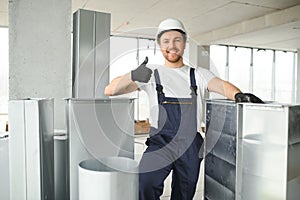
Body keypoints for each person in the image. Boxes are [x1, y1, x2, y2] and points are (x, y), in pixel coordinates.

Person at [105, 18, 263, 200]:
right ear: (159, 45)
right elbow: (111, 90)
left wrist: (237, 95)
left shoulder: (198, 74)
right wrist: (133, 74)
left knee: (184, 193)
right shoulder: (151, 73)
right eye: (166, 41)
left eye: (177, 40)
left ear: (185, 43)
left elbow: (221, 86)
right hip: (160, 143)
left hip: (190, 145)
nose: (172, 45)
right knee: (145, 182)